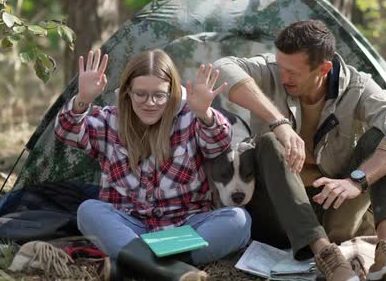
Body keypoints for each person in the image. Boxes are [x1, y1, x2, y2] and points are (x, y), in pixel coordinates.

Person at [213, 20, 386, 281]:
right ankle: (327, 257)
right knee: (268, 141)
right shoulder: (272, 70)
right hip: (279, 213)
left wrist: (357, 179)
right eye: (281, 67)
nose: (282, 76)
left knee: (381, 138)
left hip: (335, 206)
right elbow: (222, 68)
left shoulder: (357, 87)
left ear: (324, 68)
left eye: (292, 72)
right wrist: (279, 123)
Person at [55, 49, 251, 281]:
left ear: (172, 92)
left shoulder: (190, 116)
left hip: (186, 227)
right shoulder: (110, 120)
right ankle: (173, 271)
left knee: (239, 221)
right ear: (127, 92)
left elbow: (219, 144)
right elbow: (66, 132)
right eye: (140, 94)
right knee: (88, 210)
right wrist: (83, 100)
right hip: (130, 226)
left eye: (159, 95)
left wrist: (205, 113)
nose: (150, 103)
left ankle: (134, 264)